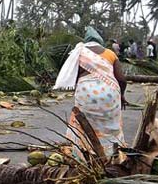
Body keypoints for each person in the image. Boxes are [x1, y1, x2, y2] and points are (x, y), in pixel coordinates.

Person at [53, 26, 128, 155]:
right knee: (111, 125)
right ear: (100, 41)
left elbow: (73, 75)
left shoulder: (79, 52)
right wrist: (121, 96)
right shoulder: (110, 54)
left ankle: (83, 155)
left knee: (83, 123)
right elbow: (121, 79)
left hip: (86, 91)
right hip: (110, 92)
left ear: (86, 40)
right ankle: (112, 154)